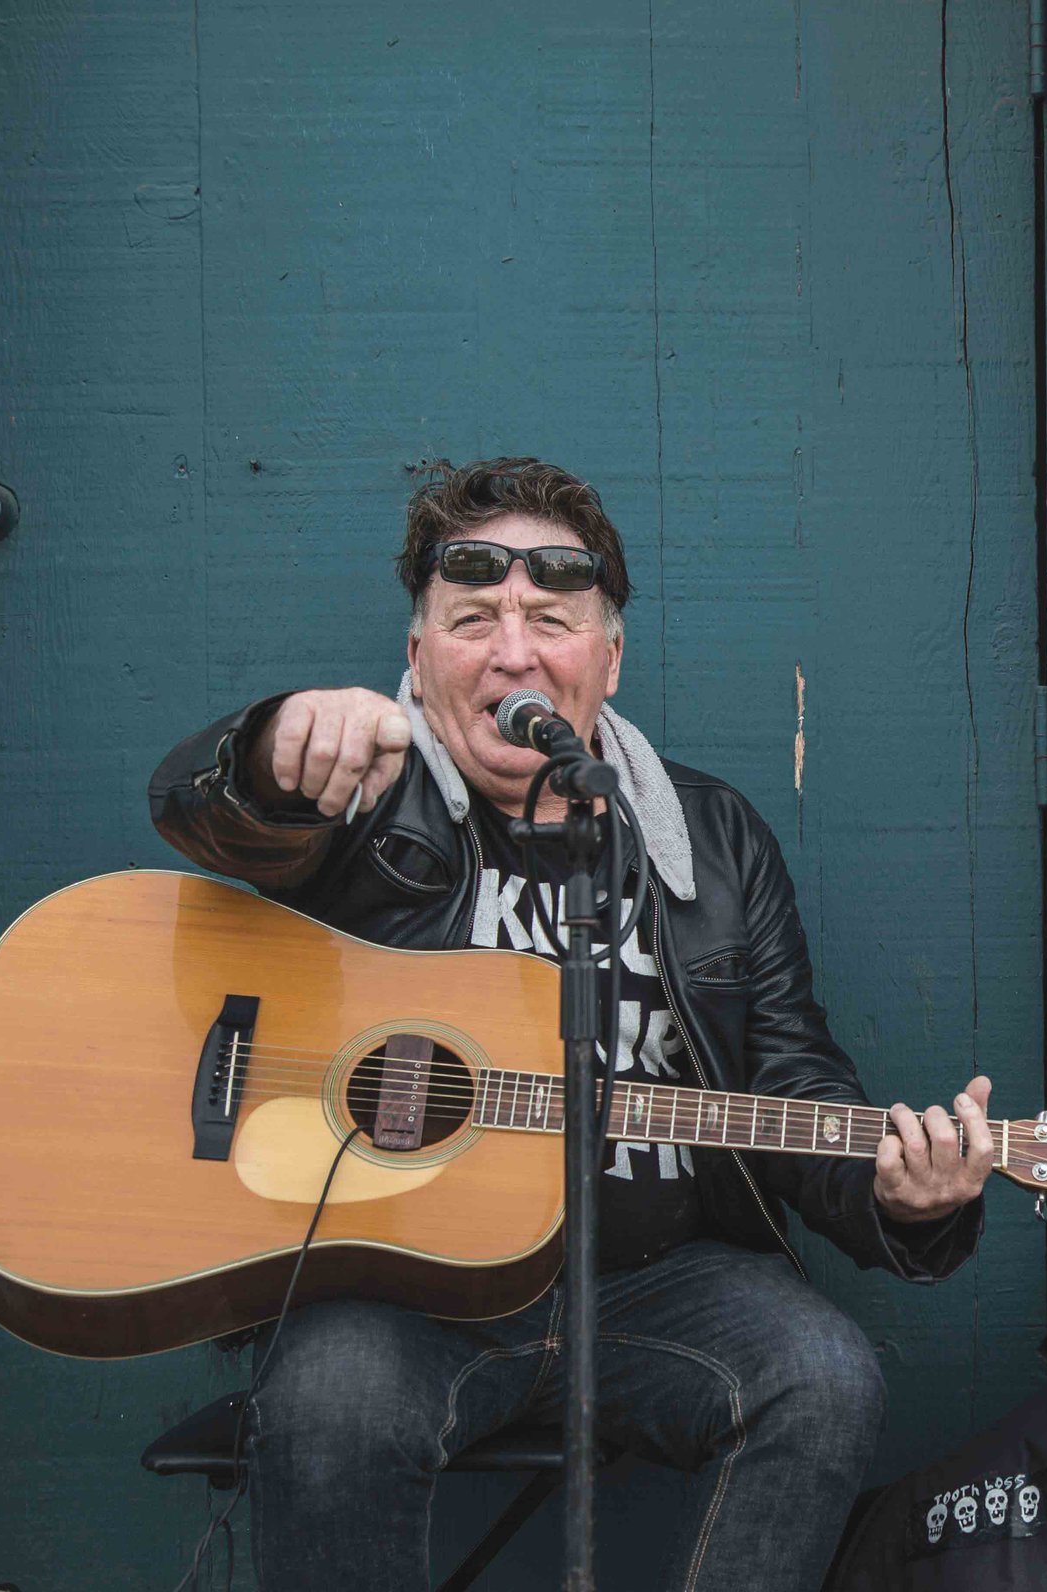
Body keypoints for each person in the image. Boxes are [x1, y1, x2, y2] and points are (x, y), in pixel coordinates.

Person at [147, 457, 993, 1592]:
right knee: (329, 1397)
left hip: (655, 1279)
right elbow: (203, 811)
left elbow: (790, 1073)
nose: (511, 652)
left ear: (607, 658)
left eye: (550, 619)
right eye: (471, 620)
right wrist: (270, 747)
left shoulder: (715, 838)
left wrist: (900, 1199)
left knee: (823, 1369)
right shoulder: (355, 799)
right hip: (404, 1296)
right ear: (415, 657)